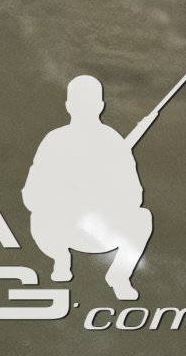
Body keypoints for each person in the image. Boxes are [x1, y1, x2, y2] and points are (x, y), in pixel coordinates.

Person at [24, 75, 151, 300]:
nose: (85, 108)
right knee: (38, 217)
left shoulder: (114, 143)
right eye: (80, 103)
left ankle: (119, 276)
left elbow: (135, 195)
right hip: (60, 229)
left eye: (90, 103)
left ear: (101, 106)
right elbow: (32, 193)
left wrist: (106, 193)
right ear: (69, 106)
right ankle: (60, 259)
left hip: (101, 231)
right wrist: (62, 197)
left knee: (143, 219)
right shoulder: (54, 140)